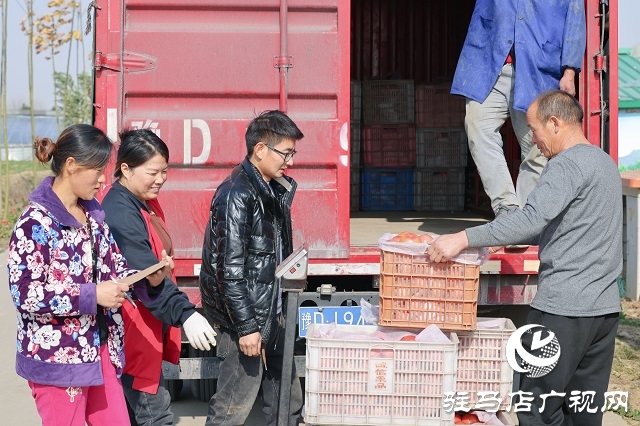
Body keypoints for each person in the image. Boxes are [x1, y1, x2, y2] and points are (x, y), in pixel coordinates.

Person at [427, 90, 621, 426]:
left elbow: (530, 219)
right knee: (584, 410)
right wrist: (491, 243)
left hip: (563, 310)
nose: (532, 139)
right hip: (603, 312)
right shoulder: (603, 162)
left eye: (534, 130)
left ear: (555, 123)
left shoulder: (566, 164)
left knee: (536, 408)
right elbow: (556, 225)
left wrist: (463, 238)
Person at [6, 123, 168, 425]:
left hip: (101, 350)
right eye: (97, 169)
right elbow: (25, 294)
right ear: (72, 166)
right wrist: (93, 295)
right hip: (58, 359)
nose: (103, 178)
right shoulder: (35, 223)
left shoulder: (93, 214)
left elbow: (115, 267)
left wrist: (148, 278)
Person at [100, 129, 217, 425]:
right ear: (125, 169)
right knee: (155, 415)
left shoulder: (141, 201)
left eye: (165, 171)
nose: (161, 179)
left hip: (147, 321)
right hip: (132, 328)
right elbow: (144, 272)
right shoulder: (120, 212)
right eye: (153, 172)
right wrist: (186, 314)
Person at [199, 110, 304, 426]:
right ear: (260, 150)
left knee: (287, 403)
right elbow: (228, 270)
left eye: (292, 153)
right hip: (246, 321)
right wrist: (246, 328)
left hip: (271, 314)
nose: (291, 161)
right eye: (286, 153)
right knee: (233, 407)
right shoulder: (236, 193)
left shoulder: (269, 187)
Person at [451, 0, 586, 219]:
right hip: (489, 65)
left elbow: (575, 22)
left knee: (537, 148)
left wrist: (569, 72)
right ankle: (507, 208)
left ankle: (524, 218)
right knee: (478, 129)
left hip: (538, 70)